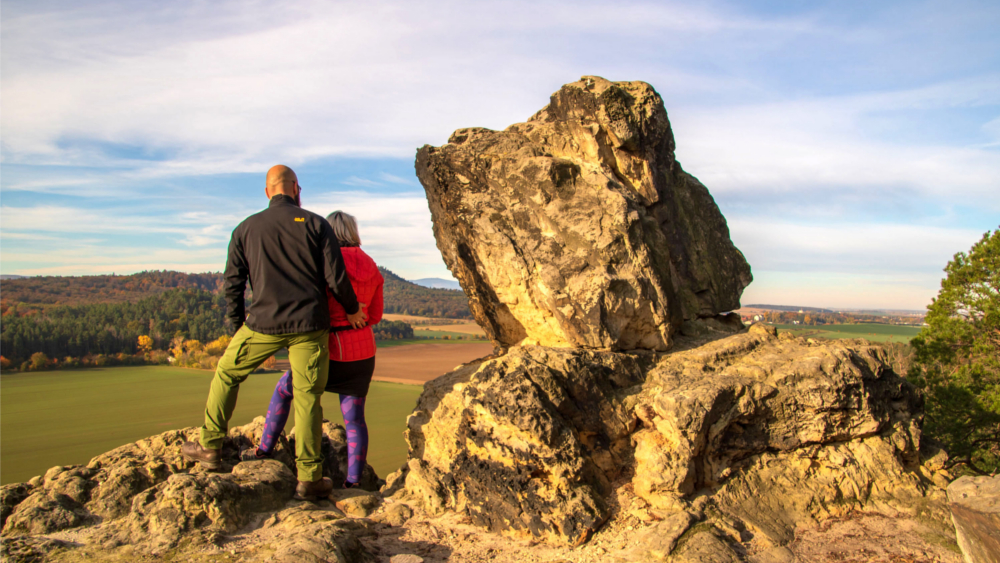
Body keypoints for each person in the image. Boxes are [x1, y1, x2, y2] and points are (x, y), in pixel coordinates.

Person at [181, 165, 367, 501]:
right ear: (297, 189)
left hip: (262, 325)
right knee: (308, 395)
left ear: (267, 192)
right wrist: (352, 309)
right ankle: (309, 478)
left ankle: (209, 446)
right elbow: (335, 277)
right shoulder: (315, 223)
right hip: (310, 326)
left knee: (226, 373)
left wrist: (239, 328)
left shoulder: (245, 228)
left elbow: (233, 285)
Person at [244, 211, 384, 489]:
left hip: (326, 349)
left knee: (285, 391)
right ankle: (354, 483)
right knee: (355, 418)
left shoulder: (324, 261)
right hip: (362, 351)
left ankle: (264, 450)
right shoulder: (371, 265)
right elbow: (376, 315)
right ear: (354, 232)